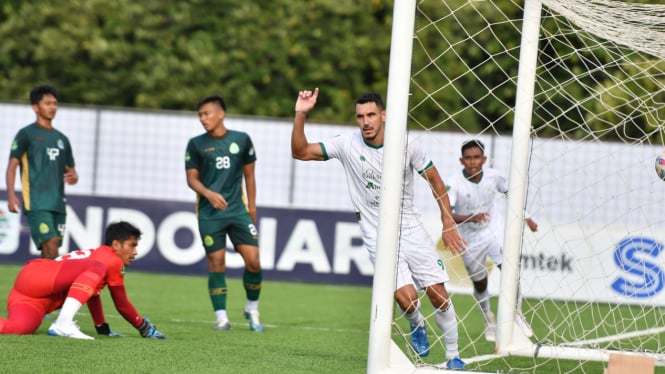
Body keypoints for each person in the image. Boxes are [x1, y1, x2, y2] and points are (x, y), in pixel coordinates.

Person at [291, 88, 466, 370]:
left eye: (371, 115)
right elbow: (300, 152)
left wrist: (448, 223)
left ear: (384, 115)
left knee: (437, 294)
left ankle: (453, 356)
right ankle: (416, 323)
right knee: (407, 300)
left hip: (410, 227)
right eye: (360, 116)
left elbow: (435, 181)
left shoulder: (408, 144)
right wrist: (301, 114)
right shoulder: (346, 144)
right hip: (376, 232)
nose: (366, 122)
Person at [0, 221, 166, 340]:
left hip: (32, 294)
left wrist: (101, 327)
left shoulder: (98, 258)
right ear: (116, 245)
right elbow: (121, 303)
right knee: (96, 268)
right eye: (132, 245)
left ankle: (63, 324)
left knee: (18, 328)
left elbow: (91, 293)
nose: (135, 252)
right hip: (40, 277)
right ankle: (63, 324)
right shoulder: (111, 260)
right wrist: (144, 327)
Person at [185, 94, 264, 332]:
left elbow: (250, 176)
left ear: (221, 114)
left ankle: (252, 307)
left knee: (253, 261)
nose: (203, 119)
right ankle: (222, 317)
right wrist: (209, 194)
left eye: (206, 113)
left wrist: (252, 208)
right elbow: (191, 179)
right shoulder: (196, 144)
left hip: (237, 211)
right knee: (216, 263)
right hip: (209, 214)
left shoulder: (241, 140)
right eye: (200, 115)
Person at [446, 139, 538, 342]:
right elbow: (448, 214)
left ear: (484, 159)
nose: (472, 162)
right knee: (480, 284)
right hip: (468, 238)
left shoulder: (494, 177)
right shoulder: (453, 183)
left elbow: (511, 195)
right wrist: (472, 217)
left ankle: (517, 314)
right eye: (468, 158)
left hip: (493, 230)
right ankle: (488, 318)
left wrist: (527, 217)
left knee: (510, 269)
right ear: (462, 160)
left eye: (476, 157)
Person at [5, 84, 78, 259]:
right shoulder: (26, 134)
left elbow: (72, 173)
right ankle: (54, 286)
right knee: (51, 242)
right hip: (36, 203)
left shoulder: (62, 139)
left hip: (58, 203)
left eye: (55, 103)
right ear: (35, 107)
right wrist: (11, 195)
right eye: (47, 103)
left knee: (50, 251)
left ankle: (43, 285)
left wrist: (73, 177)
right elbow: (12, 166)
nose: (52, 107)